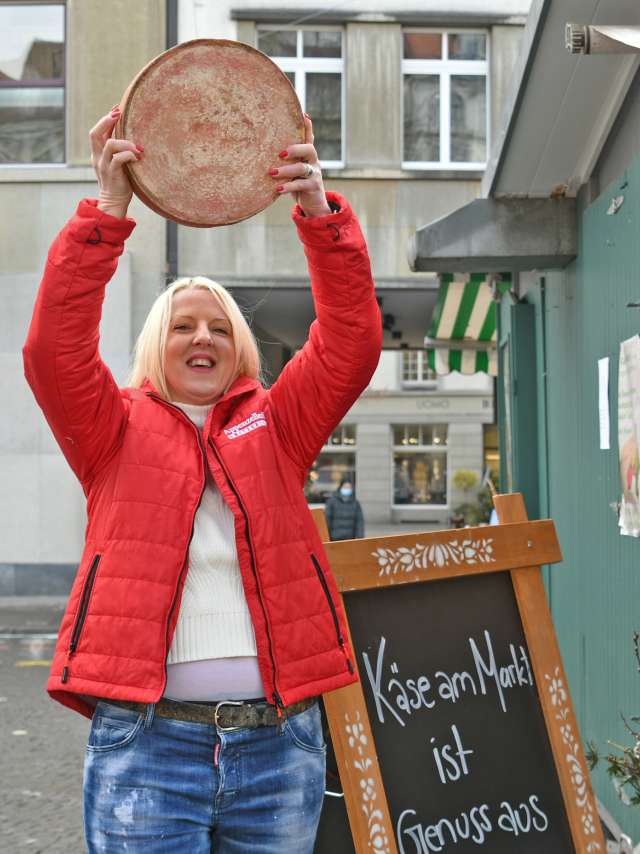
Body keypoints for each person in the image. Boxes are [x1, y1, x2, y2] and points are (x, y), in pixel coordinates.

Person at [23, 105, 381, 853]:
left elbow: (351, 342)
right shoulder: (110, 429)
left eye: (220, 326)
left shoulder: (279, 425)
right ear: (158, 344)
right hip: (147, 750)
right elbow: (53, 347)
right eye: (184, 324)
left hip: (279, 748)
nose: (203, 336)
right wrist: (108, 211)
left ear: (241, 349)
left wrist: (320, 214)